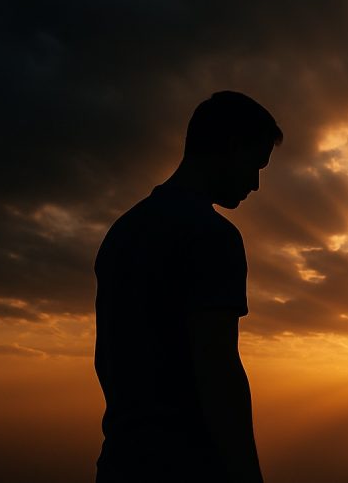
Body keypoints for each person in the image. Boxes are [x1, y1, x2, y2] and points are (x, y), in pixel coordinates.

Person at [94, 91, 281, 483]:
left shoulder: (123, 231)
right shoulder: (212, 237)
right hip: (187, 465)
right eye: (256, 165)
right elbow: (219, 372)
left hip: (121, 462)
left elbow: (106, 359)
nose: (256, 183)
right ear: (231, 148)